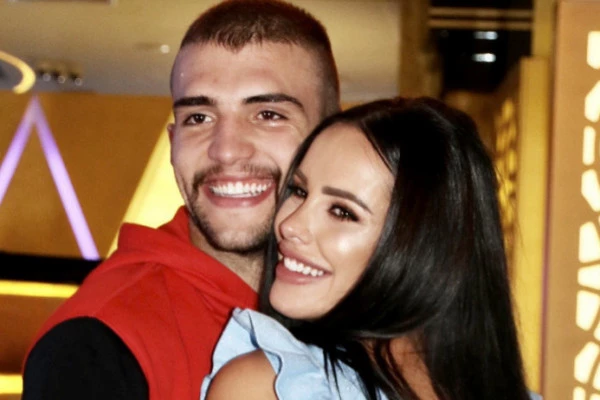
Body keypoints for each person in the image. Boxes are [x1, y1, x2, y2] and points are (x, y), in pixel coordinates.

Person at [21, 1, 340, 399]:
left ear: (334, 139)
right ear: (173, 143)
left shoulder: (370, 307)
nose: (226, 150)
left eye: (268, 114)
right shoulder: (97, 345)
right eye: (198, 118)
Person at [199, 96, 540, 399]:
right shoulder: (271, 386)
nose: (289, 225)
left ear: (422, 248)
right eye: (299, 191)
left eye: (342, 212)